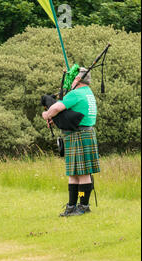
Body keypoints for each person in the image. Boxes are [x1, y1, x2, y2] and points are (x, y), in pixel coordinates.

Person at [42, 67, 100, 217]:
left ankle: (83, 206)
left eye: (74, 78)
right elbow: (74, 114)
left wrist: (46, 115)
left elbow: (56, 107)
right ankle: (71, 206)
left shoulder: (76, 93)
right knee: (73, 173)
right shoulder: (88, 93)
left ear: (78, 80)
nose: (72, 81)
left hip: (79, 135)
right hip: (82, 133)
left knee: (82, 173)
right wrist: (57, 120)